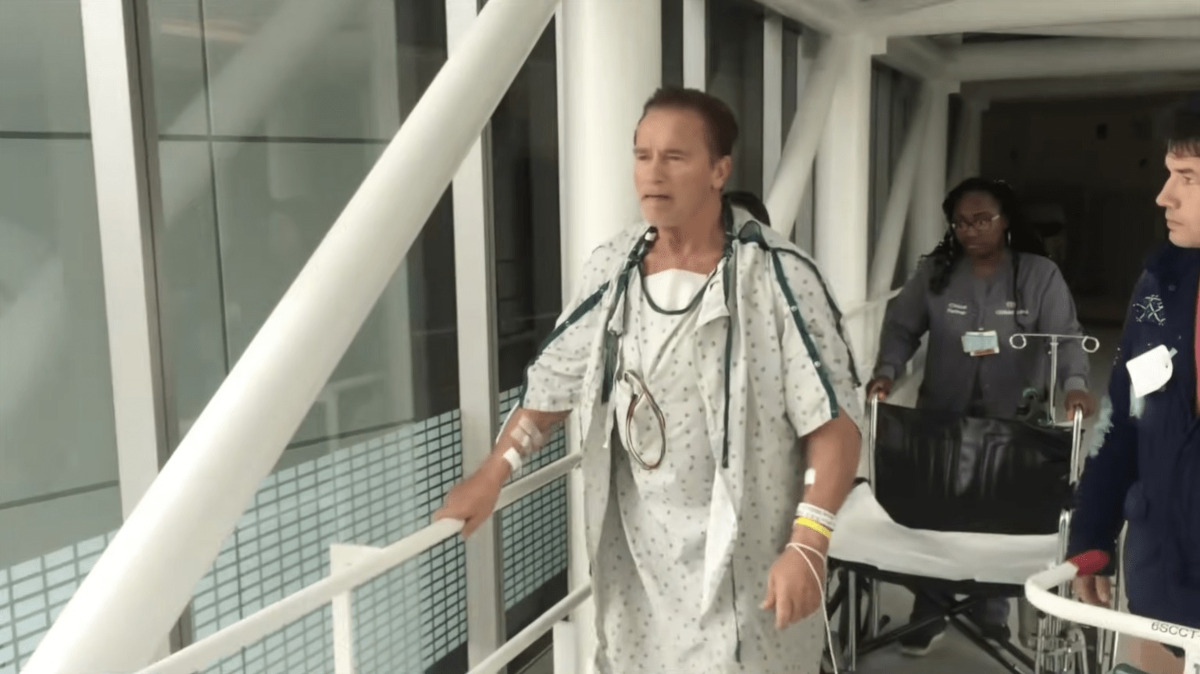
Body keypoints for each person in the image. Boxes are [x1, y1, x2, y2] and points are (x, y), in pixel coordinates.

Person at [435, 86, 863, 673]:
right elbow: (555, 381)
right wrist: (495, 471)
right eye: (642, 155)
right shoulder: (613, 268)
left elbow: (834, 418)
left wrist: (810, 542)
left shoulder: (779, 276)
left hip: (750, 554)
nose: (652, 173)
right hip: (641, 555)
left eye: (675, 157)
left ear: (719, 171)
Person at [867, 177, 1097, 656]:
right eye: (961, 223)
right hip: (943, 417)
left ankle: (989, 616)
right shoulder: (936, 272)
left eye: (982, 220)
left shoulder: (1038, 275)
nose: (971, 230)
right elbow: (902, 327)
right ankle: (928, 612)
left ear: (1005, 220)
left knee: (1001, 515)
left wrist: (1074, 385)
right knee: (936, 512)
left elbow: (1066, 336)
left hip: (1016, 418)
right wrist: (886, 371)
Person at [1069, 115, 1200, 674]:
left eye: (1188, 177)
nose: (1163, 195)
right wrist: (1092, 531)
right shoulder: (1159, 289)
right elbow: (1124, 418)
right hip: (1160, 583)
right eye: (1169, 173)